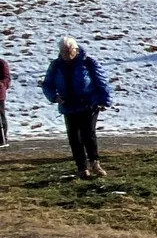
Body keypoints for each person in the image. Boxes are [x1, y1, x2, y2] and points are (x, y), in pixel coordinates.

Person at [41, 36, 112, 178]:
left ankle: (94, 162)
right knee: (74, 137)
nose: (66, 54)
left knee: (88, 134)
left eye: (69, 51)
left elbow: (102, 82)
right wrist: (55, 97)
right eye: (63, 51)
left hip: (89, 104)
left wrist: (105, 101)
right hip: (68, 106)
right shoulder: (55, 65)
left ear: (76, 50)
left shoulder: (89, 63)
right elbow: (47, 84)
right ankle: (82, 167)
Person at [0, 53, 10, 148]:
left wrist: (1, 84)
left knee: (1, 117)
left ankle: (2, 139)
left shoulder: (2, 63)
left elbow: (7, 78)